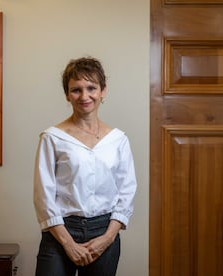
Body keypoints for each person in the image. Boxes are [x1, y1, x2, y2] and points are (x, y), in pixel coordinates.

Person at [33, 57, 137, 276]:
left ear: (103, 91)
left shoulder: (118, 140)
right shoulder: (52, 137)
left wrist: (107, 239)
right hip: (60, 232)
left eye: (91, 88)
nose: (84, 96)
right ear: (67, 94)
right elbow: (43, 196)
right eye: (76, 90)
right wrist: (68, 243)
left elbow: (126, 192)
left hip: (104, 232)